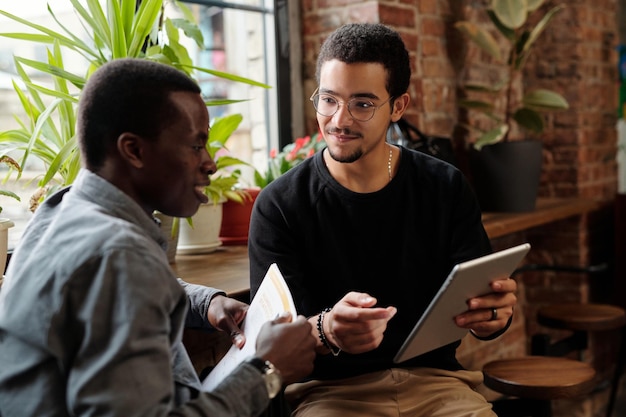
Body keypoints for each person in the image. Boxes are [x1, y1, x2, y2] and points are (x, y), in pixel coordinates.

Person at [0, 58, 316, 417]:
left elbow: (111, 287)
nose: (211, 163)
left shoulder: (61, 210)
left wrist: (204, 303)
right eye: (196, 145)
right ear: (133, 150)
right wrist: (269, 370)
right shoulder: (119, 254)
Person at [248, 23, 518, 417]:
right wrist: (326, 329)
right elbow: (270, 342)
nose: (339, 120)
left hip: (438, 385)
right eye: (328, 100)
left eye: (362, 104)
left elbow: (479, 304)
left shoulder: (444, 186)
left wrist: (492, 317)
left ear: (398, 107)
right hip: (328, 394)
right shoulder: (280, 205)